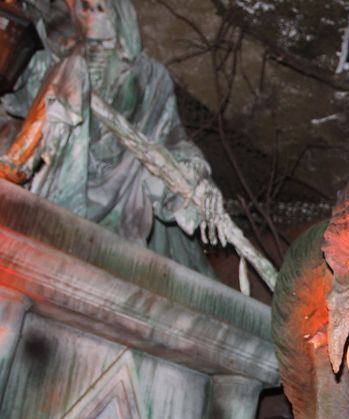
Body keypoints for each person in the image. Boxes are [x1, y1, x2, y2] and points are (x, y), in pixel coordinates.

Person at [0, 0, 224, 274]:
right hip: (58, 177)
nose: (91, 13)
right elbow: (13, 99)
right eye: (82, 6)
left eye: (99, 6)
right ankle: (15, 165)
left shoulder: (151, 78)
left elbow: (174, 140)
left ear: (119, 13)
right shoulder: (50, 60)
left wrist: (198, 176)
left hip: (119, 197)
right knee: (74, 69)